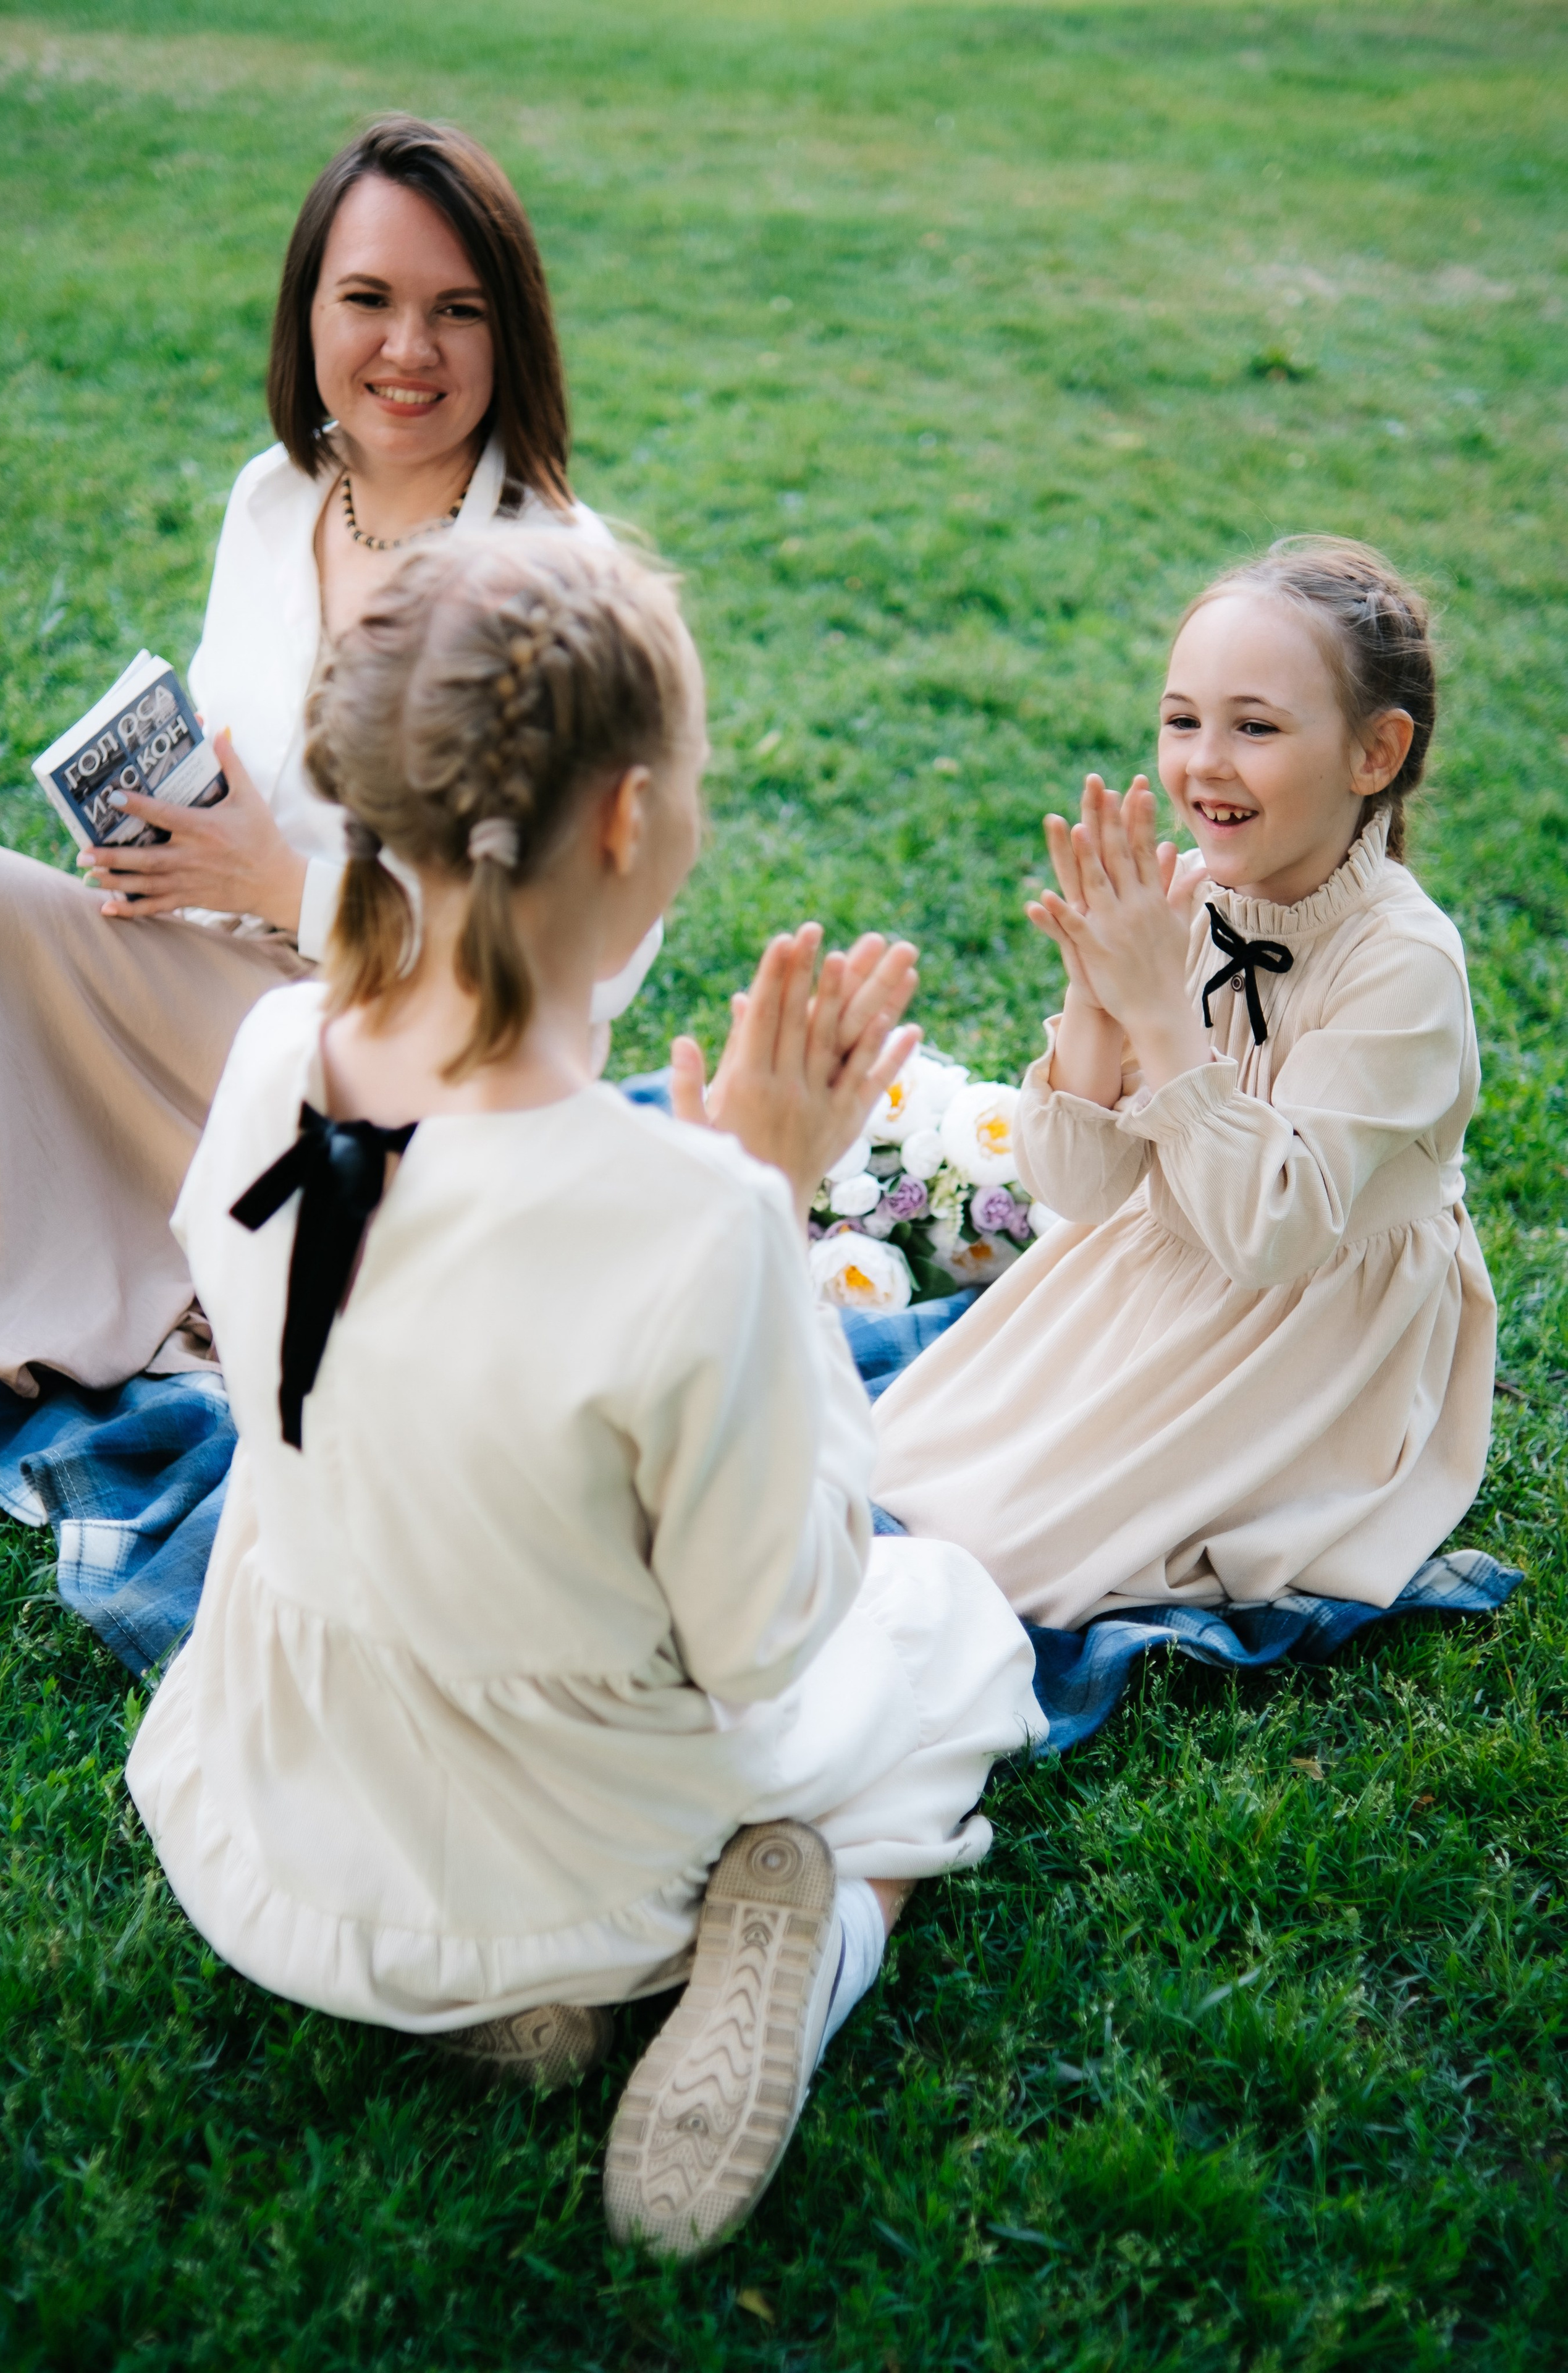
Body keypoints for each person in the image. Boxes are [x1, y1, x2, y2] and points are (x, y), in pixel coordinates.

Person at [124, 531, 1042, 2262]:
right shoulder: (691, 1230)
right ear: (626, 823)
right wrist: (765, 1205)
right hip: (576, 1820)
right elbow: (764, 1634)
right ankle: (806, 1933)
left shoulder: (273, 1056)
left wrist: (715, 1209)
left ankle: (504, 2004)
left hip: (293, 1792)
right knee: (954, 1626)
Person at [0, 115, 641, 1397]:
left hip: (429, 1063)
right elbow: (252, 778)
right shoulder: (276, 497)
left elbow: (594, 956)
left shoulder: (564, 579)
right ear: (307, 314)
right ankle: (147, 1250)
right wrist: (164, 849)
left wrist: (286, 889)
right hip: (223, 992)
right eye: (368, 299)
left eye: (457, 310)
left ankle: (240, 1261)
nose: (407, 350)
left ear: (511, 335)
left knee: (288, 1032)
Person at [872, 536, 1496, 1628]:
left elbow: (1274, 1237)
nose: (1205, 761)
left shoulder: (1404, 965)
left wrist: (1163, 1014)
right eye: (1182, 719)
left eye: (1254, 727)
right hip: (1153, 1262)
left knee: (1009, 1553)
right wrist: (1096, 999)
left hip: (1306, 1324)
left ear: (1375, 753)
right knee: (898, 1460)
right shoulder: (1197, 898)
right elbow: (1080, 1190)